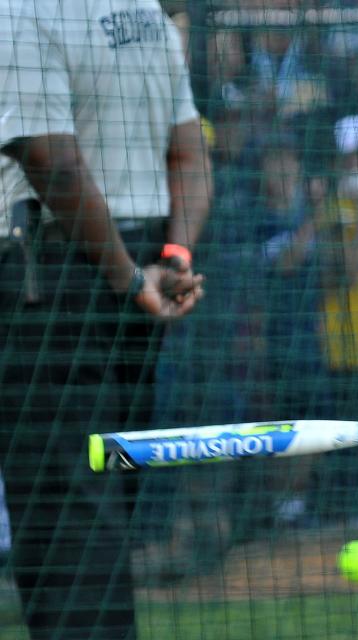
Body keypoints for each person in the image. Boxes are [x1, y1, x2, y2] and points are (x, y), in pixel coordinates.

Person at [0, 1, 210, 637]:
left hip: (56, 282)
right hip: (137, 271)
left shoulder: (21, 10)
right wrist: (170, 259)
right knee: (104, 510)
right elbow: (191, 155)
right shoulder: (145, 10)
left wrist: (126, 279)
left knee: (69, 528)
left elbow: (53, 163)